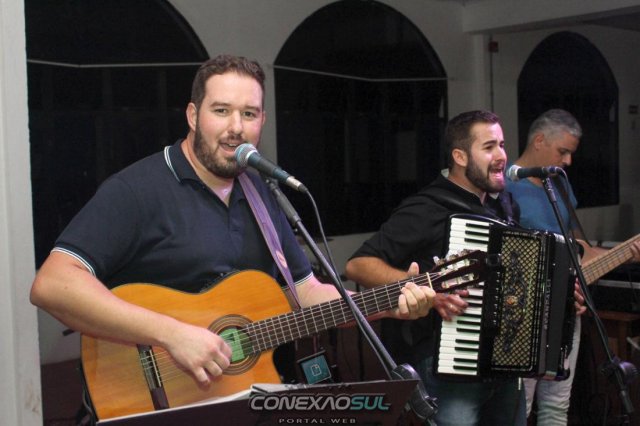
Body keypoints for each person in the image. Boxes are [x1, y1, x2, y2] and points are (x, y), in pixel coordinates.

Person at [29, 54, 435, 411]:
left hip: (238, 400)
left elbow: (308, 293)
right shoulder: (136, 190)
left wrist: (389, 303)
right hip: (153, 400)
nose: (236, 127)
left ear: (262, 121)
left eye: (249, 114)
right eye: (221, 111)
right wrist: (172, 334)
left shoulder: (262, 192)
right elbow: (52, 285)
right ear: (193, 116)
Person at [345, 110, 527, 426]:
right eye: (488, 147)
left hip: (503, 360)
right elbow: (358, 264)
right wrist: (425, 289)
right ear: (459, 156)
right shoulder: (427, 207)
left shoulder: (504, 206)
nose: (501, 155)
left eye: (501, 144)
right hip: (448, 363)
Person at [506, 108, 640, 425]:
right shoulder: (505, 189)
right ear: (539, 140)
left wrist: (626, 254)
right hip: (525, 312)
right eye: (562, 151)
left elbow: (580, 249)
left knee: (556, 405)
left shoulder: (559, 185)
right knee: (520, 406)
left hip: (568, 307)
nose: (568, 161)